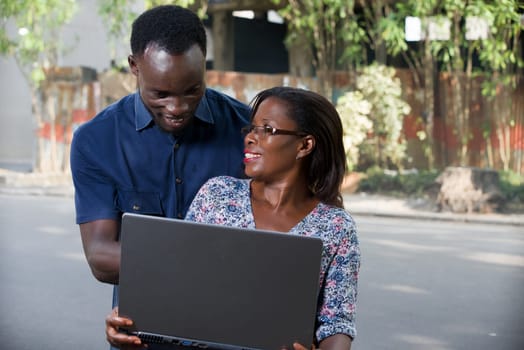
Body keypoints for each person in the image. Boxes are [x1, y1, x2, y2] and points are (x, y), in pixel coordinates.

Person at [105, 87, 361, 350]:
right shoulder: (217, 194)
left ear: (305, 145)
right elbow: (178, 284)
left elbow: (337, 324)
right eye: (251, 128)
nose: (251, 137)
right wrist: (126, 320)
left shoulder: (337, 227)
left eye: (267, 129)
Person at [69, 3, 250, 332]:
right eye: (160, 94)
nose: (178, 107)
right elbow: (100, 256)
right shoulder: (95, 141)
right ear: (134, 67)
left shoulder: (247, 130)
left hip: (233, 327)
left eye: (193, 90)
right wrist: (213, 261)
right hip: (143, 329)